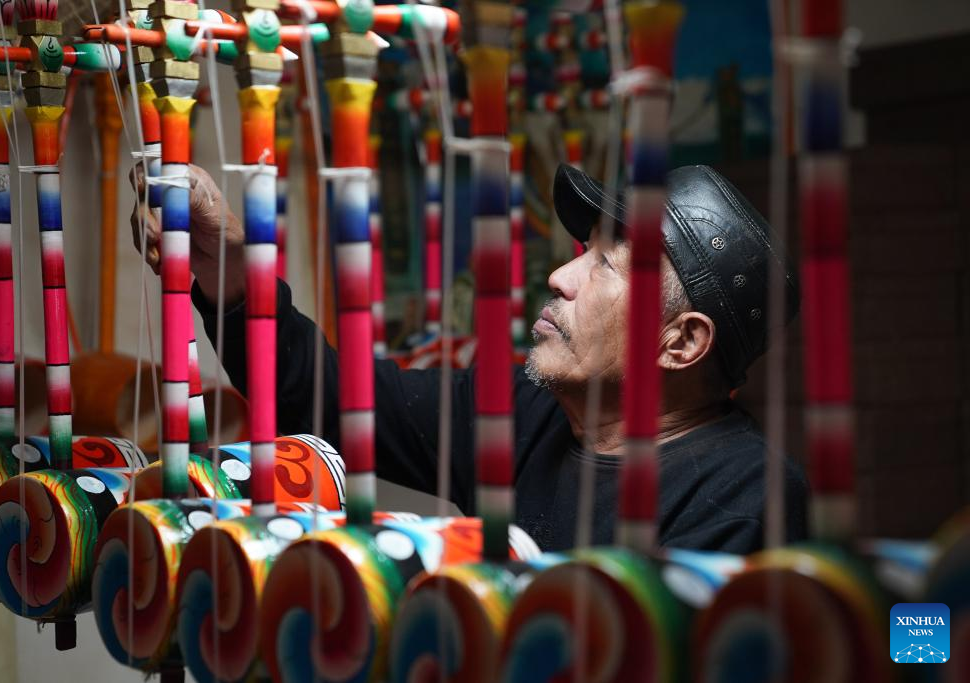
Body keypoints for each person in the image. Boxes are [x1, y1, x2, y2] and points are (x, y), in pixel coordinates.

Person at [129, 161, 808, 553]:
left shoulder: (750, 504)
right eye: (580, 255)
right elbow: (335, 403)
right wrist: (226, 271)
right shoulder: (522, 413)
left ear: (682, 341)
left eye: (604, 265)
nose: (560, 279)